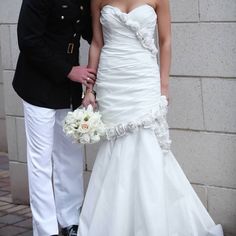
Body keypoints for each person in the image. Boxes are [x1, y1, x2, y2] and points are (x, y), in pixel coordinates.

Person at [80, 0, 224, 235]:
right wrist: (89, 89)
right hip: (112, 79)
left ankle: (152, 223)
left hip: (143, 78)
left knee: (148, 145)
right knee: (116, 149)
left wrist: (163, 86)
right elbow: (97, 43)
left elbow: (166, 41)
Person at [12, 0, 96, 235]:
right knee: (41, 163)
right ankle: (46, 230)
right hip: (38, 85)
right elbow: (28, 39)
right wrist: (68, 71)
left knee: (70, 157)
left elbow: (91, 33)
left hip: (67, 88)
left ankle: (70, 221)